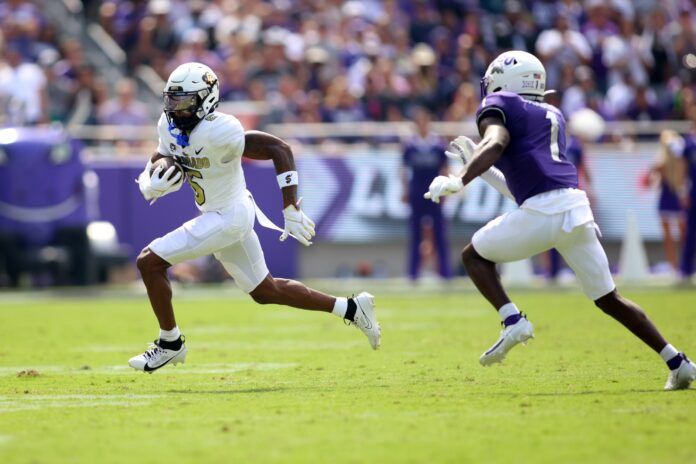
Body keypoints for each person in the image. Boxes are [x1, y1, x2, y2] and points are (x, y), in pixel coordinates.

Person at [424, 50, 695, 390]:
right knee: (609, 298)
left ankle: (512, 321)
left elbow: (497, 140)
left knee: (473, 256)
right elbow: (525, 191)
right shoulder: (551, 113)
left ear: (505, 80)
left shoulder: (502, 105)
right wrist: (480, 171)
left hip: (546, 210)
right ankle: (677, 361)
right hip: (573, 208)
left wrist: (460, 177)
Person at [128, 62, 380, 373]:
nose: (176, 110)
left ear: (206, 99)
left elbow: (278, 148)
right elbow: (162, 152)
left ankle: (170, 343)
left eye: (185, 103)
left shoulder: (220, 129)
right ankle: (352, 308)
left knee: (149, 261)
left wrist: (290, 207)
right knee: (265, 291)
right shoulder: (168, 125)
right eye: (172, 101)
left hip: (229, 216)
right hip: (221, 214)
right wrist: (149, 177)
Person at [401, 106, 451, 281]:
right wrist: (405, 190)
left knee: (439, 233)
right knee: (415, 234)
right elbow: (404, 170)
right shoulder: (409, 145)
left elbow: (445, 169)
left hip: (435, 192)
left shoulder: (438, 145)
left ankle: (445, 273)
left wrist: (446, 190)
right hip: (417, 192)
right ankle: (413, 273)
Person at [650, 130, 686, 274]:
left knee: (682, 234)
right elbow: (652, 177)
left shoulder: (678, 159)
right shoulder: (662, 162)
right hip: (667, 197)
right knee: (670, 235)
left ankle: (682, 264)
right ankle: (674, 264)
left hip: (676, 197)